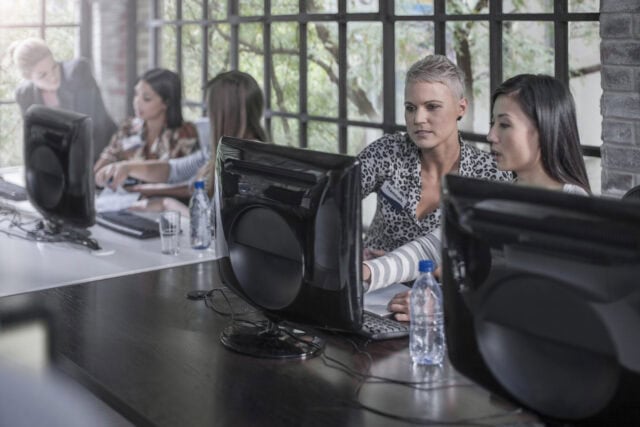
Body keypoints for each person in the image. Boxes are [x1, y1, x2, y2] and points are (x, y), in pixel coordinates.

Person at [380, 73, 591, 321]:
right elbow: (433, 246)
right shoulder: (497, 200)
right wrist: (369, 272)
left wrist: (446, 305)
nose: (491, 135)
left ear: (543, 129)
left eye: (504, 125)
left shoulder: (573, 208)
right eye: (493, 124)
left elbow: (552, 304)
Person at [358, 54, 511, 285]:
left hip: (442, 296)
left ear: (461, 108)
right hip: (369, 287)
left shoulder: (490, 176)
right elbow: (333, 200)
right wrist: (347, 253)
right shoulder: (387, 152)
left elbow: (493, 263)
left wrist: (416, 276)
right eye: (410, 108)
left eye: (432, 107)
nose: (418, 119)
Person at [94, 70, 268, 214]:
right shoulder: (217, 151)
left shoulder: (247, 164)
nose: (208, 117)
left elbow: (215, 226)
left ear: (223, 114)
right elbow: (174, 169)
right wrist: (127, 167)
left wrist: (167, 204)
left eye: (210, 110)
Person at [8, 37, 117, 162]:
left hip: (104, 150)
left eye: (54, 67)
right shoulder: (25, 94)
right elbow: (36, 139)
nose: (53, 77)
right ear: (29, 78)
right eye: (43, 75)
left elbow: (94, 126)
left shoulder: (78, 72)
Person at [93, 68, 198, 172]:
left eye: (146, 98)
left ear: (166, 102)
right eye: (136, 94)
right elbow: (107, 157)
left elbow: (178, 175)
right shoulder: (128, 127)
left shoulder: (184, 134)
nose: (137, 102)